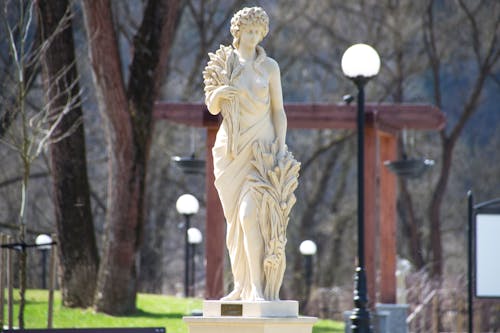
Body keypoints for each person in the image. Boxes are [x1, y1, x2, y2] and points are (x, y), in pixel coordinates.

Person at [203, 6, 298, 301]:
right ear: (238, 32)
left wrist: (281, 148)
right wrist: (218, 95)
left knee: (250, 217)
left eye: (259, 32)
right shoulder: (225, 62)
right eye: (249, 31)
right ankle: (241, 287)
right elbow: (212, 106)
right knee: (235, 223)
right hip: (230, 151)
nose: (254, 37)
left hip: (261, 151)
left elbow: (278, 111)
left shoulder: (269, 67)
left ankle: (257, 288)